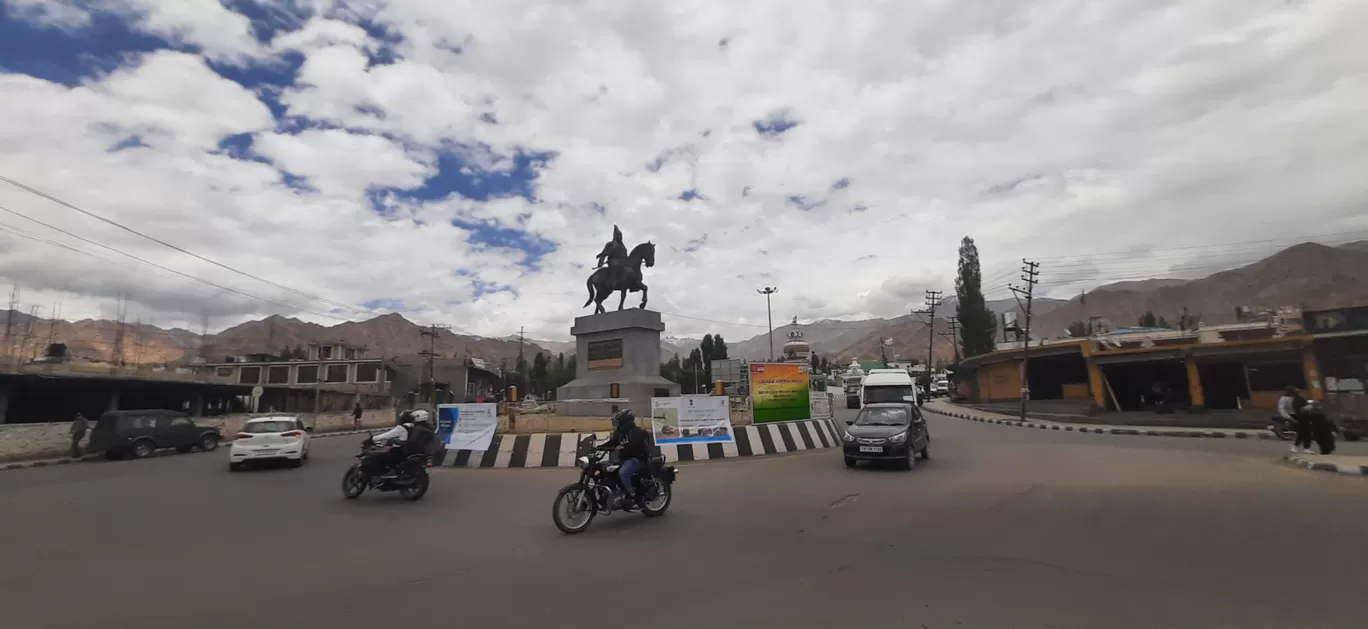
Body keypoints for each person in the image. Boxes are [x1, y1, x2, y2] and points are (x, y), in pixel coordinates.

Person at [599, 409, 650, 510]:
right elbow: (613, 442)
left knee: (623, 472)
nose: (617, 423)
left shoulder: (635, 432)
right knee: (607, 470)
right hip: (624, 459)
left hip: (636, 459)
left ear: (625, 421)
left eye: (619, 421)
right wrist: (600, 447)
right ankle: (614, 492)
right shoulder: (620, 432)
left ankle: (632, 494)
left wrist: (624, 447)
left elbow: (635, 446)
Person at [365, 410, 433, 477]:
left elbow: (386, 435)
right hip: (414, 451)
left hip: (401, 450)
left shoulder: (402, 428)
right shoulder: (417, 427)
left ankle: (385, 474)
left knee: (376, 457)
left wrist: (372, 439)